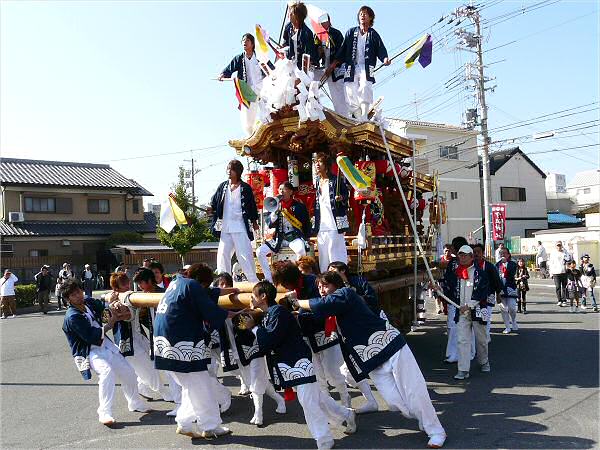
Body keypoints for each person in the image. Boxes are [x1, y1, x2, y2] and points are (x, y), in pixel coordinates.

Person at [291, 272, 446, 449]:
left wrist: (297, 302)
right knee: (394, 402)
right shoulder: (333, 310)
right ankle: (423, 417)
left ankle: (436, 431)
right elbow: (314, 315)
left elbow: (321, 305)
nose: (322, 290)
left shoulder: (346, 294)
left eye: (325, 285)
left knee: (414, 392)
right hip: (371, 358)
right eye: (319, 287)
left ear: (337, 285)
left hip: (391, 347)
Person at [244, 280, 356, 450]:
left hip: (298, 362)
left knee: (308, 402)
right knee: (316, 398)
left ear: (263, 296)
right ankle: (347, 414)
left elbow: (269, 341)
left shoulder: (278, 312)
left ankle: (324, 440)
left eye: (253, 295)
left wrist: (253, 327)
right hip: (289, 364)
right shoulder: (269, 314)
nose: (251, 299)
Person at [60, 278, 150, 425]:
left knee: (128, 371)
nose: (78, 295)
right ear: (68, 299)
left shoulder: (87, 303)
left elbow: (102, 305)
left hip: (105, 344)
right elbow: (91, 336)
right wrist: (111, 322)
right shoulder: (72, 317)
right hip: (88, 351)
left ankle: (135, 402)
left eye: (78, 291)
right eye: (73, 295)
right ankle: (104, 412)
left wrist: (113, 303)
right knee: (106, 372)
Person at [153, 275, 232, 439]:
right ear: (201, 282)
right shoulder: (192, 285)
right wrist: (232, 313)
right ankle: (210, 427)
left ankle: (185, 423)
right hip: (182, 345)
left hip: (165, 344)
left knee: (193, 386)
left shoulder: (177, 284)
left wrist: (231, 290)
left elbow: (208, 293)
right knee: (202, 386)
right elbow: (211, 311)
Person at [272, 261, 351, 409]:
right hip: (307, 335)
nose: (283, 286)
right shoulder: (294, 289)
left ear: (290, 279)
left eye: (284, 282)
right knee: (318, 375)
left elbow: (321, 307)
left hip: (325, 332)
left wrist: (298, 310)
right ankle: (330, 408)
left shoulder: (313, 282)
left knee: (333, 372)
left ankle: (345, 398)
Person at [327, 261, 379, 414]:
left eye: (333, 270)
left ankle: (368, 402)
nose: (330, 273)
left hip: (361, 330)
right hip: (343, 335)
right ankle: (369, 401)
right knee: (348, 370)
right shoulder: (332, 289)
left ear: (343, 271)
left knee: (350, 370)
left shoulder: (357, 282)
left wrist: (353, 296)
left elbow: (371, 300)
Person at [327, 5, 390, 120]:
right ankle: (358, 116)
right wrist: (333, 65)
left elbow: (381, 48)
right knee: (349, 89)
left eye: (365, 14)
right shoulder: (351, 32)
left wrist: (385, 58)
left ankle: (364, 115)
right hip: (351, 66)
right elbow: (342, 50)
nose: (362, 16)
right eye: (361, 14)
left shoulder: (373, 34)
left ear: (370, 17)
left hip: (367, 67)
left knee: (365, 85)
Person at [441, 245, 490, 380]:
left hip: (478, 311)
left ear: (471, 257)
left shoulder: (480, 273)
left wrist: (469, 305)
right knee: (462, 340)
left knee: (481, 340)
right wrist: (438, 288)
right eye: (460, 255)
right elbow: (449, 288)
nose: (462, 258)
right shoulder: (455, 273)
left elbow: (482, 292)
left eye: (465, 255)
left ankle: (484, 361)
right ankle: (463, 369)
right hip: (461, 312)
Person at [209, 160, 260, 283]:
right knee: (223, 255)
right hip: (225, 227)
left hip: (240, 226)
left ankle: (254, 282)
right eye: (227, 169)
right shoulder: (222, 186)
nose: (228, 171)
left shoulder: (245, 188)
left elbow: (252, 206)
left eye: (231, 169)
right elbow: (214, 202)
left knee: (244, 256)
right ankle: (224, 282)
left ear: (238, 172)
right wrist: (211, 208)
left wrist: (254, 223)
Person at [219, 33, 272, 136]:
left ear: (252, 43)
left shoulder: (259, 56)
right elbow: (229, 69)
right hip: (248, 91)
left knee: (267, 113)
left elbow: (270, 68)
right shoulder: (239, 58)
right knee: (248, 118)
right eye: (243, 41)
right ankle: (250, 136)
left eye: (247, 40)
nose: (244, 42)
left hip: (262, 88)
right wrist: (223, 74)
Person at [257, 181, 311, 282]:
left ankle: (297, 277)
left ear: (291, 192)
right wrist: (275, 212)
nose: (281, 191)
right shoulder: (275, 206)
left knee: (301, 251)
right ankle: (269, 279)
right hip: (279, 239)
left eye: (284, 189)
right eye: (280, 189)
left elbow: (306, 223)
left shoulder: (299, 206)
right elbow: (270, 223)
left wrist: (307, 237)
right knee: (260, 252)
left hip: (294, 237)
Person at [313, 152, 349, 273]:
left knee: (335, 253)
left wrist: (341, 198)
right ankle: (325, 278)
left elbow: (346, 195)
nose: (317, 164)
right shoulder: (317, 181)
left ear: (326, 164)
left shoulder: (336, 180)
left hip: (334, 222)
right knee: (323, 255)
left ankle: (339, 276)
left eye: (320, 162)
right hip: (321, 224)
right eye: (316, 162)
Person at [314, 14, 348, 116]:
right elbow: (315, 54)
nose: (322, 24)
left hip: (337, 68)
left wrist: (333, 65)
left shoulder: (336, 33)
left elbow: (342, 52)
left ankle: (344, 117)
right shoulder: (317, 36)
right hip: (325, 68)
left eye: (324, 21)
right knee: (310, 78)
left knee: (338, 95)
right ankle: (313, 107)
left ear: (329, 21)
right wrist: (318, 52)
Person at [472, 244, 502, 342]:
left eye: (478, 252)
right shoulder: (471, 265)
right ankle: (477, 337)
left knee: (486, 316)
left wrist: (498, 293)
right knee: (476, 317)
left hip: (488, 294)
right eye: (474, 252)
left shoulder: (489, 266)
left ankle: (486, 335)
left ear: (482, 253)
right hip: (474, 296)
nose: (476, 254)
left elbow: (496, 280)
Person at [281, 2, 318, 70]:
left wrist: (304, 72)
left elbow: (309, 56)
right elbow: (285, 43)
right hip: (290, 64)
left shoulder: (307, 33)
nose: (289, 14)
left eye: (292, 13)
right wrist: (282, 50)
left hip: (301, 69)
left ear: (297, 16)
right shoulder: (288, 27)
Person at [496, 248, 519, 334]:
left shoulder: (512, 264)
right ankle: (507, 326)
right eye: (501, 253)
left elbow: (512, 273)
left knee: (512, 307)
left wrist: (505, 265)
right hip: (501, 288)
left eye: (505, 253)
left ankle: (513, 320)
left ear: (508, 255)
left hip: (510, 287)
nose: (503, 255)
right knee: (503, 309)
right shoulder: (497, 265)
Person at [549, 241, 568, 306]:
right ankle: (559, 300)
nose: (559, 247)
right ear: (556, 246)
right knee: (558, 286)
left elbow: (568, 259)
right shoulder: (553, 253)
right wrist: (551, 273)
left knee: (564, 287)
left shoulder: (564, 252)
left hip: (563, 271)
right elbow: (551, 263)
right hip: (556, 272)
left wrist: (565, 251)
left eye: (560, 245)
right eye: (558, 245)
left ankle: (564, 300)